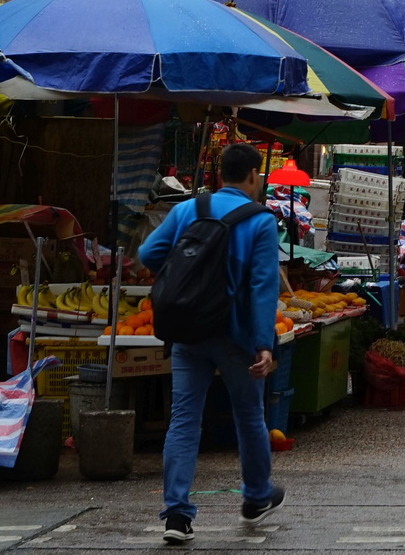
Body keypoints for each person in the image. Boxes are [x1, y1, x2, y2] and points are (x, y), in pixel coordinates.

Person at [139, 143, 285, 545]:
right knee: (249, 416)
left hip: (187, 331)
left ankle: (176, 514)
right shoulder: (260, 221)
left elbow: (148, 252)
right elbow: (262, 289)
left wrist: (183, 281)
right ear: (254, 176)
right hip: (236, 336)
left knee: (184, 419)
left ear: (221, 174)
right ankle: (256, 496)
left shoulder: (188, 209)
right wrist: (263, 344)